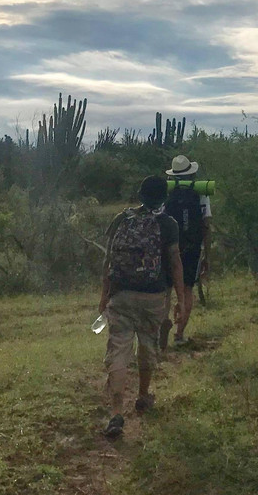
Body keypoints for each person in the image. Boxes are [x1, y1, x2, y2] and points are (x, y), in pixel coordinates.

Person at [98, 175, 185, 439]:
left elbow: (108, 262)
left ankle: (115, 412)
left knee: (119, 349)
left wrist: (104, 297)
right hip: (153, 297)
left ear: (139, 195)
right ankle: (144, 395)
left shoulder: (121, 219)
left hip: (121, 294)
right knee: (148, 345)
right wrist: (181, 298)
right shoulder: (167, 224)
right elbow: (175, 263)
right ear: (164, 198)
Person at [163, 154, 212, 346]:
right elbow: (207, 224)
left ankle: (162, 333)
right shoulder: (201, 193)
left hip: (168, 249)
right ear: (191, 174)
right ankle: (179, 335)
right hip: (192, 249)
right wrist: (207, 254)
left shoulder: (167, 193)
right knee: (187, 290)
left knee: (166, 291)